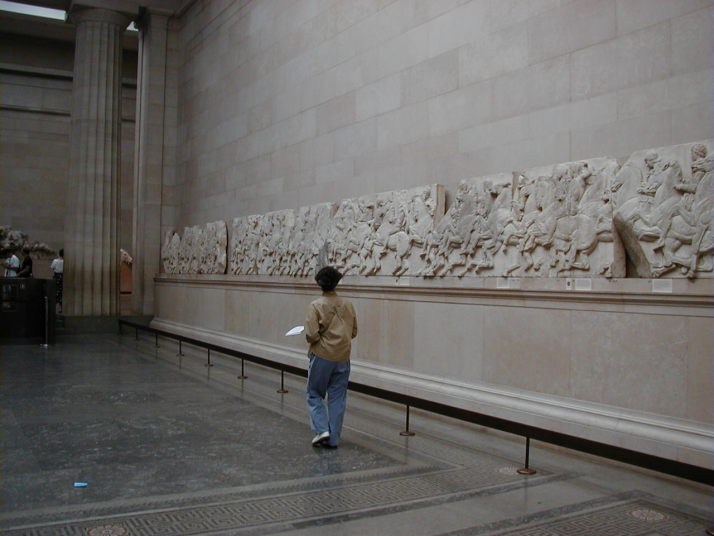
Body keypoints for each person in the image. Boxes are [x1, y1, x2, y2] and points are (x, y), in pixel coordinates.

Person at [305, 266, 358, 449]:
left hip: (322, 355)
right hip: (343, 356)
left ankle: (322, 429)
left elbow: (311, 334)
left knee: (314, 393)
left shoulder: (316, 305)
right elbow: (354, 331)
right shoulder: (348, 304)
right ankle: (333, 438)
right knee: (337, 397)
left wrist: (322, 340)